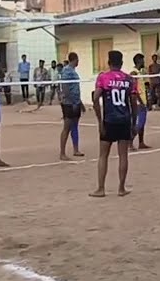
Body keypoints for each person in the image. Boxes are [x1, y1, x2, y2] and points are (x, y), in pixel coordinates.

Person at [90, 50, 137, 198]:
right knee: (123, 155)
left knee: (103, 156)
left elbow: (95, 98)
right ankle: (121, 188)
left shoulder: (103, 78)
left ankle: (101, 189)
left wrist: (99, 120)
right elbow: (134, 103)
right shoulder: (129, 79)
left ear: (109, 63)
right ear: (121, 63)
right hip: (124, 120)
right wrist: (134, 123)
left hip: (109, 120)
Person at [58, 52, 85, 160]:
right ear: (74, 60)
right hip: (69, 103)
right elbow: (65, 88)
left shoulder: (73, 71)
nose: (78, 62)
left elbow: (75, 89)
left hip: (76, 102)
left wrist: (80, 103)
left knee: (75, 126)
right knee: (67, 127)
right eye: (77, 60)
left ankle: (76, 149)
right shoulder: (67, 71)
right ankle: (62, 153)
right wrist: (72, 102)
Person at [130, 53, 150, 150]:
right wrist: (140, 101)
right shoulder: (134, 73)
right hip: (138, 102)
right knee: (139, 123)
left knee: (142, 123)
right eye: (142, 60)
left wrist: (146, 100)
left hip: (143, 101)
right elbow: (134, 90)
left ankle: (141, 142)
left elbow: (143, 88)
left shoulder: (140, 73)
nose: (144, 62)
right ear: (138, 61)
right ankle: (130, 142)